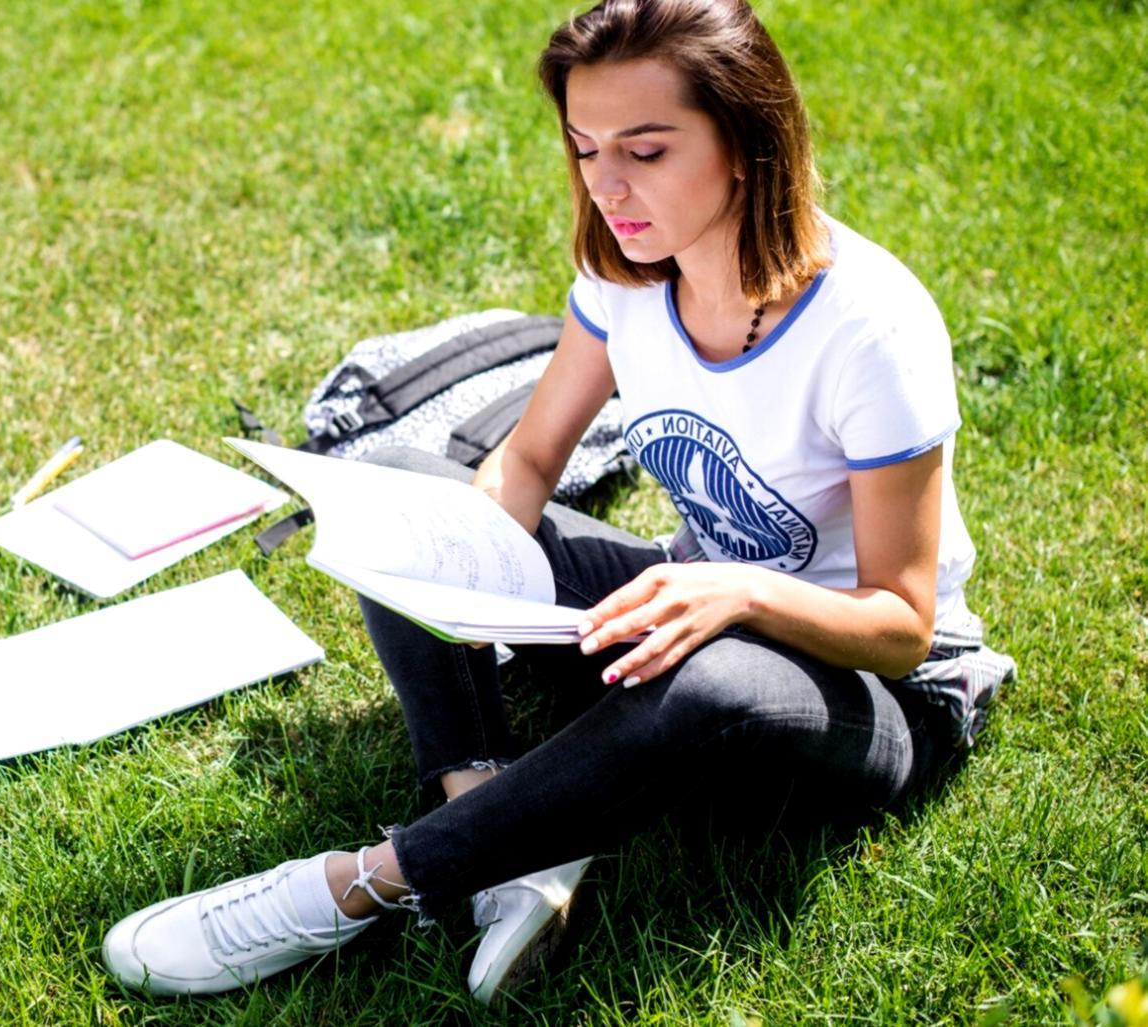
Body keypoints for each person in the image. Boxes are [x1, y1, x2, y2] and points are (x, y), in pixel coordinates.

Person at [102, 0, 1015, 1004]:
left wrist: (738, 596)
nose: (607, 184)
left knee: (709, 683)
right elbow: (530, 458)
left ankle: (358, 885)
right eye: (585, 149)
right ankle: (500, 827)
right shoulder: (625, 275)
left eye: (647, 150)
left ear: (750, 139)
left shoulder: (868, 331)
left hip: (878, 697)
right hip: (681, 614)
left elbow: (901, 620)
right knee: (408, 484)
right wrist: (467, 558)